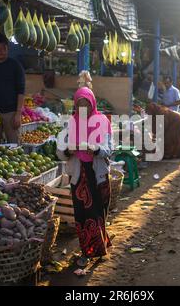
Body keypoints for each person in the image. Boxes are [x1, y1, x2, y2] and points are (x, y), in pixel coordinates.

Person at [56, 87, 113, 267]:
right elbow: (59, 151)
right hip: (78, 175)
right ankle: (88, 252)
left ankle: (100, 244)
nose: (83, 109)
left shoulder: (102, 121)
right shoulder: (70, 123)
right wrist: (68, 150)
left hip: (97, 172)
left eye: (86, 105)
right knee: (83, 214)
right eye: (79, 105)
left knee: (99, 212)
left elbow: (109, 147)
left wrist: (95, 149)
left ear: (92, 104)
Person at [0, 34, 25, 144]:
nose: (0, 51)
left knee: (14, 144)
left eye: (3, 48)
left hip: (11, 113)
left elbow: (21, 91)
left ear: (8, 48)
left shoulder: (16, 66)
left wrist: (18, 114)